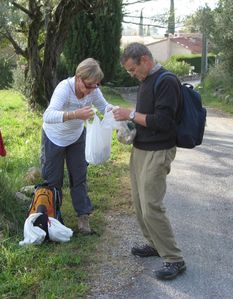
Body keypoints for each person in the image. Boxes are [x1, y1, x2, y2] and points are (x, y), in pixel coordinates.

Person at [112, 43, 186, 280]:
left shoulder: (166, 81)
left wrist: (130, 115)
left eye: (133, 69)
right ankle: (155, 244)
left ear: (145, 59)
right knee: (139, 203)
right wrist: (131, 127)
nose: (132, 74)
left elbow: (164, 122)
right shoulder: (146, 81)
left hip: (158, 151)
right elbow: (147, 116)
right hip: (141, 149)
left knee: (152, 205)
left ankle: (174, 259)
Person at [41, 58, 112, 235]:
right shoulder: (64, 88)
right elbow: (47, 115)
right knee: (53, 180)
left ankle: (83, 218)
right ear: (78, 78)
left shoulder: (93, 90)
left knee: (79, 177)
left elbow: (105, 108)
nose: (92, 90)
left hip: (77, 137)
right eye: (88, 85)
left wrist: (122, 118)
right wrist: (74, 114)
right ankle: (52, 218)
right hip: (54, 137)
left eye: (95, 85)